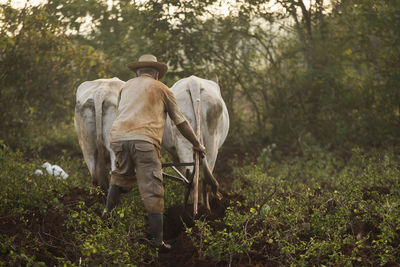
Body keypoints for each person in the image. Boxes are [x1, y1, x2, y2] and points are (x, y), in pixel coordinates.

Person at [102, 54, 205, 250]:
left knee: (120, 176)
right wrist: (197, 143)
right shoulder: (162, 88)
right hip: (145, 140)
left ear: (138, 72)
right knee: (152, 186)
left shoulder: (125, 86)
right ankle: (157, 241)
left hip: (118, 138)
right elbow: (180, 121)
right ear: (156, 74)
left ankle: (106, 217)